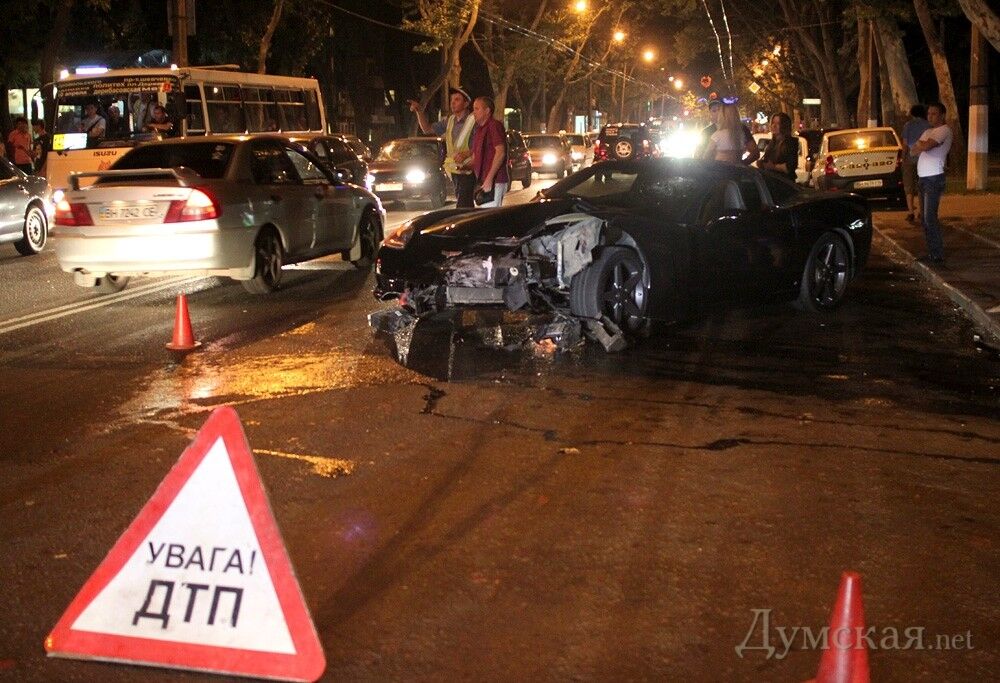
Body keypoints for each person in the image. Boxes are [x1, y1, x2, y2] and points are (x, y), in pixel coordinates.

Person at [409, 87, 476, 207]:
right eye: (451, 100)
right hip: (455, 170)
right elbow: (427, 129)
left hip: (469, 169)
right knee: (465, 205)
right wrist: (419, 111)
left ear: (466, 104)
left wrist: (468, 154)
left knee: (462, 205)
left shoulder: (473, 120)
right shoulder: (449, 121)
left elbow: (481, 145)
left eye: (457, 100)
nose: (453, 103)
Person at [911, 101, 952, 264]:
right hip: (923, 178)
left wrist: (923, 144)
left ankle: (937, 254)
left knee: (930, 218)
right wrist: (922, 144)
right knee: (924, 218)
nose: (930, 116)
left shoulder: (944, 130)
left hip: (934, 178)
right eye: (928, 114)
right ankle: (931, 252)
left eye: (934, 113)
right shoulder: (928, 131)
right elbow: (914, 150)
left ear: (942, 115)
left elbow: (926, 146)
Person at [470, 96, 509, 208]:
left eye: (477, 109)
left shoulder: (494, 125)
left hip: (494, 181)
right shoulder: (479, 129)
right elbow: (476, 156)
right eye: (474, 109)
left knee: (490, 215)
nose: (474, 112)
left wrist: (489, 178)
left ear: (487, 111)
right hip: (483, 181)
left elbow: (500, 152)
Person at [700, 99, 758, 165]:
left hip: (719, 170)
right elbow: (699, 153)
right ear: (710, 113)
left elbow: (755, 153)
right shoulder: (707, 132)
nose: (717, 113)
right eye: (714, 111)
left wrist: (743, 164)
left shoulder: (742, 129)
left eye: (720, 110)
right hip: (720, 171)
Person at [900, 104, 930, 224]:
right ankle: (923, 212)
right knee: (922, 186)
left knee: (909, 186)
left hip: (910, 159)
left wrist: (903, 158)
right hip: (924, 159)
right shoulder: (928, 125)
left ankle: (911, 212)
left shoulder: (908, 125)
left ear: (912, 113)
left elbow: (905, 144)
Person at [757, 112, 798, 182]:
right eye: (773, 123)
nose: (774, 126)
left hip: (783, 182)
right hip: (770, 180)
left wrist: (774, 167)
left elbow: (790, 166)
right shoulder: (772, 143)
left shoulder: (790, 143)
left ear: (784, 126)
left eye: (778, 123)